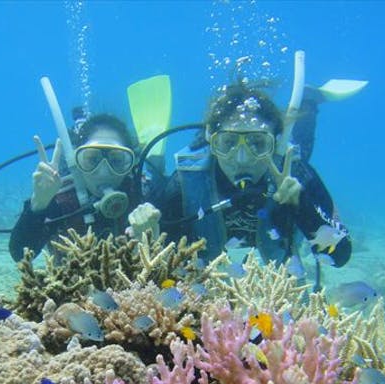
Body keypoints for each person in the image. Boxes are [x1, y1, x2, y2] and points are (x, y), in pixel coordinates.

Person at [145, 82, 352, 270]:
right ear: (212, 143)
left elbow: (341, 255)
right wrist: (146, 229)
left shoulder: (295, 174)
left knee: (300, 146)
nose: (242, 159)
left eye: (258, 143)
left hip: (286, 163)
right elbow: (163, 251)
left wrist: (301, 204)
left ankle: (308, 103)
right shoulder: (188, 180)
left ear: (274, 145)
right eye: (228, 143)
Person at [9, 113, 160, 261]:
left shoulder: (142, 194)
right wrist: (39, 204)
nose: (103, 172)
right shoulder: (61, 199)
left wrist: (153, 236)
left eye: (116, 160)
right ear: (76, 162)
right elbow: (19, 254)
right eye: (92, 159)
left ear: (130, 165)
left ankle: (158, 162)